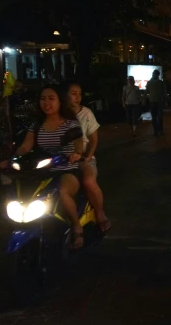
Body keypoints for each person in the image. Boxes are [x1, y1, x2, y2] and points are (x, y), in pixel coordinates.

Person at [13, 86, 85, 248]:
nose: (46, 103)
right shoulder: (36, 125)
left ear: (60, 101)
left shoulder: (70, 124)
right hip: (43, 170)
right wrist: (11, 157)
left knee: (63, 190)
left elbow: (78, 144)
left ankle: (76, 226)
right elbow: (25, 147)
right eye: (43, 98)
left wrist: (77, 154)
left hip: (67, 169)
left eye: (51, 98)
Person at [67, 83, 110, 233]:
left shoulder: (86, 114)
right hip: (63, 159)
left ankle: (100, 213)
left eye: (79, 93)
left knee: (89, 181)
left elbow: (93, 139)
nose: (78, 97)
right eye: (73, 93)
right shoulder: (59, 115)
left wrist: (87, 157)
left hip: (84, 157)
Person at [146, 70, 166, 136]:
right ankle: (159, 130)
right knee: (158, 117)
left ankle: (156, 131)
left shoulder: (150, 82)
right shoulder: (161, 83)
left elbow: (146, 91)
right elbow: (164, 93)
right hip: (158, 101)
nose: (152, 75)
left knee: (155, 117)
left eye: (153, 74)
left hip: (153, 101)